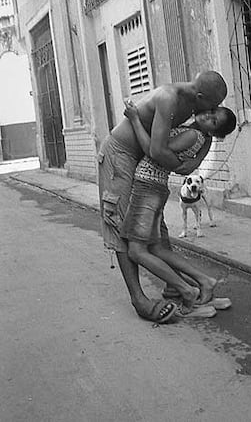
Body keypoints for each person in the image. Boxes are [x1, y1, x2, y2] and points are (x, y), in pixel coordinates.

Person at [97, 71, 228, 323]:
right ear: (200, 96)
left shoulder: (196, 108)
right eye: (212, 106)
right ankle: (139, 299)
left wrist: (183, 164)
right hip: (120, 155)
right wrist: (180, 165)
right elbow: (157, 152)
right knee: (123, 226)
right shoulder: (169, 98)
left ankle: (175, 288)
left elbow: (172, 156)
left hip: (145, 169)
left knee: (156, 233)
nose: (214, 110)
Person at [120, 102, 237, 318]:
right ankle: (204, 281)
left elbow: (153, 150)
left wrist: (135, 119)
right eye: (211, 111)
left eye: (213, 120)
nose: (207, 115)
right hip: (155, 187)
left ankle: (188, 290)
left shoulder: (192, 135)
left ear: (213, 131)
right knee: (157, 249)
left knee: (136, 251)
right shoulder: (201, 137)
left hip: (147, 185)